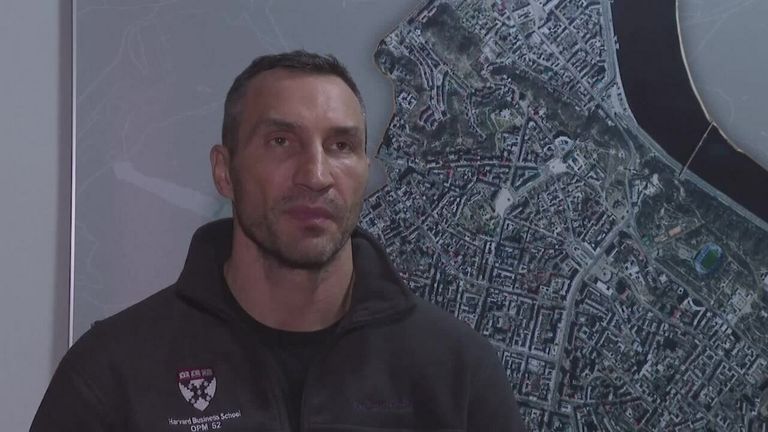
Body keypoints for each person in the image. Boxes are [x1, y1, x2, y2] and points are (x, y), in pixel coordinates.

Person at [31, 50, 526, 431]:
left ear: (365, 170)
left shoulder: (455, 371)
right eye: (281, 142)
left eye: (341, 146)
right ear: (225, 172)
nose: (316, 175)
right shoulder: (115, 373)